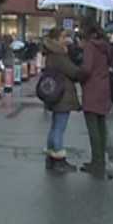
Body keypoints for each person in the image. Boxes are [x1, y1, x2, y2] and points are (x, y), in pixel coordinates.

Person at [42, 28, 86, 172]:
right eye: (62, 37)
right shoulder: (58, 55)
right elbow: (73, 71)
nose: (65, 39)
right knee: (59, 127)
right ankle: (58, 158)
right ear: (55, 40)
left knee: (55, 125)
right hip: (63, 94)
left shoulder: (53, 53)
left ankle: (51, 154)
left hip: (56, 93)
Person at [78, 19, 113, 178]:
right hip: (104, 87)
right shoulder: (105, 46)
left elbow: (87, 68)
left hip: (92, 88)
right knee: (101, 124)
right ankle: (101, 160)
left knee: (92, 125)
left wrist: (79, 76)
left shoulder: (90, 47)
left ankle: (96, 161)